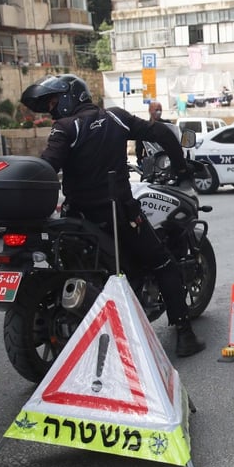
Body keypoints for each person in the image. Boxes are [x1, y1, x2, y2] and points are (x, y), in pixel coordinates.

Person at [20, 74, 206, 358]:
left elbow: (46, 167)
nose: (52, 109)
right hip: (119, 214)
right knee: (164, 264)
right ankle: (185, 336)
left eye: (54, 102)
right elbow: (164, 134)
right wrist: (181, 170)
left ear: (71, 97)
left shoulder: (66, 128)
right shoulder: (115, 118)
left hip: (79, 218)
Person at [134, 101, 174, 165]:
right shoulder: (144, 126)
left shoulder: (167, 124)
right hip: (150, 160)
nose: (159, 112)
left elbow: (174, 141)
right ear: (150, 110)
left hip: (166, 159)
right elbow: (139, 146)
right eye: (156, 110)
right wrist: (139, 159)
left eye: (160, 110)